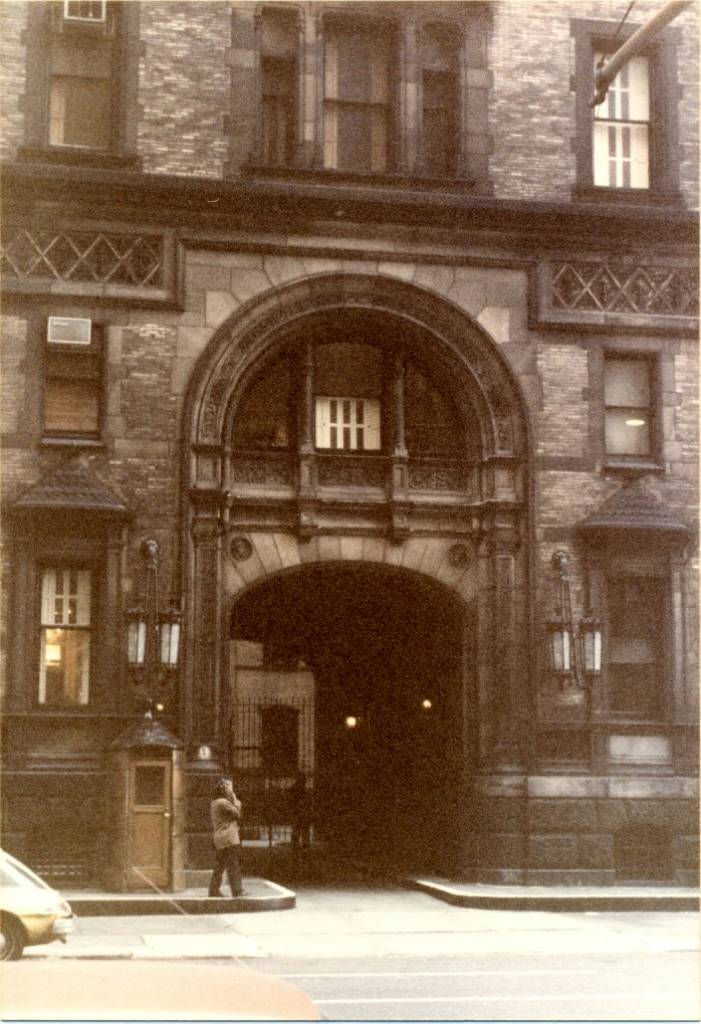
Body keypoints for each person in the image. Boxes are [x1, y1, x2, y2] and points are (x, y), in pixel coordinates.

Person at [208, 777, 245, 897]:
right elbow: (237, 813)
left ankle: (213, 890)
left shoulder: (215, 802)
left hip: (220, 839)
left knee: (219, 866)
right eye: (230, 787)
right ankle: (237, 890)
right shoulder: (223, 803)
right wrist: (236, 799)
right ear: (224, 789)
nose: (231, 789)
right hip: (229, 838)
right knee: (233, 864)